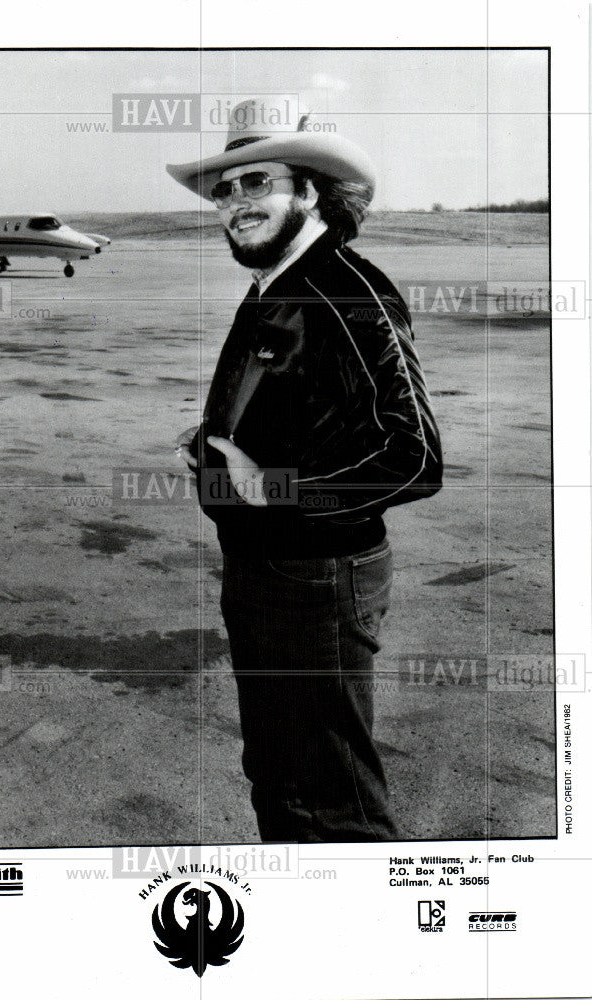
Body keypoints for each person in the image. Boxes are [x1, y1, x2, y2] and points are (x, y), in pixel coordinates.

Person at [167, 98, 443, 843]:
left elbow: (413, 455)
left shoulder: (346, 289)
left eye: (256, 183)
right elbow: (298, 413)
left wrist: (275, 489)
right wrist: (217, 436)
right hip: (264, 569)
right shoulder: (276, 283)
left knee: (329, 802)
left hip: (316, 580)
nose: (234, 203)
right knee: (284, 784)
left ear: (311, 190)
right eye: (224, 190)